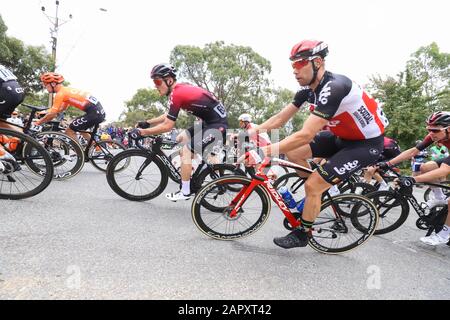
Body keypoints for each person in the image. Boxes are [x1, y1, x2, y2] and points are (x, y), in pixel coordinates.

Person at [250, 40, 389, 249]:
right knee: (294, 154)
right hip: (340, 138)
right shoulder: (308, 90)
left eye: (299, 64)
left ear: (317, 62)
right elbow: (280, 119)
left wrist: (263, 151)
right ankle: (316, 195)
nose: (294, 71)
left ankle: (303, 233)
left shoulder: (334, 87)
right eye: (292, 66)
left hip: (364, 145)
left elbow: (305, 134)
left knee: (313, 184)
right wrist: (250, 133)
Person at [132, 63, 228, 201]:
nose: (155, 85)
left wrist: (143, 132)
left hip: (217, 125)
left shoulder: (177, 93)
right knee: (180, 138)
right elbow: (169, 114)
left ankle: (185, 191)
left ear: (169, 80)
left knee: (187, 151)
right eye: (154, 82)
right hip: (207, 122)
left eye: (157, 81)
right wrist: (148, 122)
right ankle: (191, 169)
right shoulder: (178, 91)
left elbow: (167, 126)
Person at [379, 111, 450, 209]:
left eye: (435, 130)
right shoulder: (434, 136)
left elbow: (444, 171)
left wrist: (412, 179)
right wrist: (388, 163)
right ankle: (439, 197)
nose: (431, 133)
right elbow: (413, 151)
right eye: (429, 129)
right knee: (425, 167)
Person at [35, 72, 106, 142]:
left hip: (95, 113)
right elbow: (62, 108)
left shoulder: (60, 94)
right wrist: (45, 112)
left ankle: (80, 152)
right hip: (97, 112)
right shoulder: (65, 90)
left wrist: (38, 123)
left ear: (53, 84)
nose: (44, 87)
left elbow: (52, 115)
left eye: (45, 85)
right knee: (81, 129)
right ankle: (95, 148)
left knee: (69, 131)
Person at [0, 64, 25, 170]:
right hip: (17, 90)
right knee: (1, 123)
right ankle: (24, 137)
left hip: (6, 90)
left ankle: (5, 157)